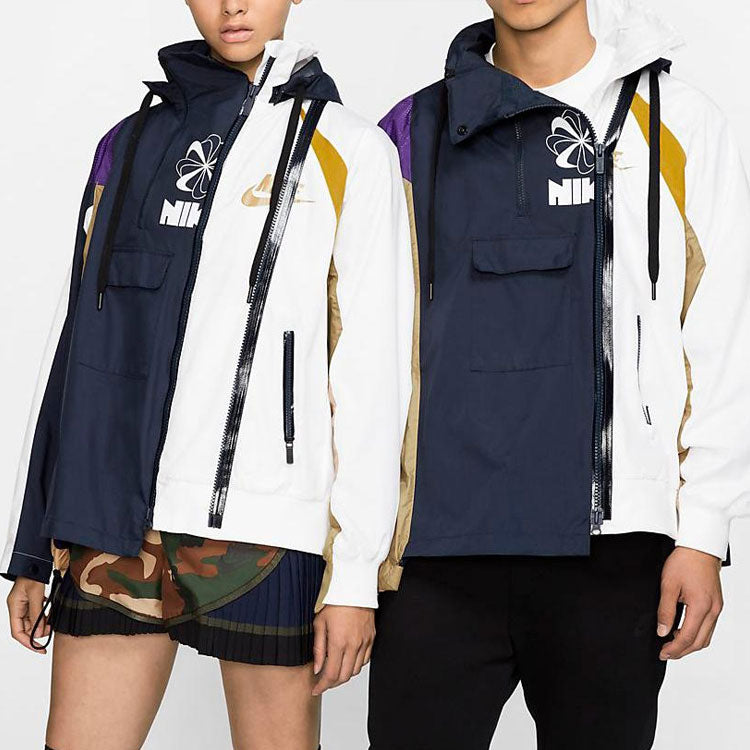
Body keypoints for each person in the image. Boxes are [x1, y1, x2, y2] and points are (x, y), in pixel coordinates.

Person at [2, 1, 413, 748]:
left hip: (268, 525)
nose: (232, 5)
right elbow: (78, 346)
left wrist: (356, 574)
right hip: (115, 517)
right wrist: (34, 544)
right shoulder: (128, 144)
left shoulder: (350, 150)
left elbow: (373, 377)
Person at [370, 0, 750, 748]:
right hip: (437, 544)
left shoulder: (679, 121)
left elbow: (723, 335)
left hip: (614, 543)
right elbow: (363, 348)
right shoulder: (410, 131)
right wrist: (354, 556)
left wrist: (704, 530)